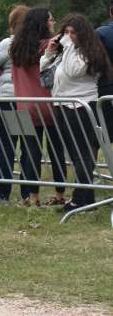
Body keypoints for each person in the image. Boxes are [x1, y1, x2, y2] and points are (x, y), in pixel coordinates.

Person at [43, 14, 112, 213]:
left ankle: (84, 199)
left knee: (82, 153)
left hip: (80, 106)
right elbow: (43, 69)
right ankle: (82, 198)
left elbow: (74, 71)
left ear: (83, 35)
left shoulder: (87, 52)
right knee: (74, 154)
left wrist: (68, 45)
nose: (68, 36)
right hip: (63, 104)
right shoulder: (67, 51)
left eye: (73, 33)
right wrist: (49, 52)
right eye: (66, 32)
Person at [10, 7, 67, 206]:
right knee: (56, 151)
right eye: (51, 20)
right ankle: (60, 194)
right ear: (43, 23)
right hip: (48, 104)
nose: (53, 22)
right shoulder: (48, 46)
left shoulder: (15, 46)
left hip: (22, 106)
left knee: (28, 152)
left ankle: (32, 196)